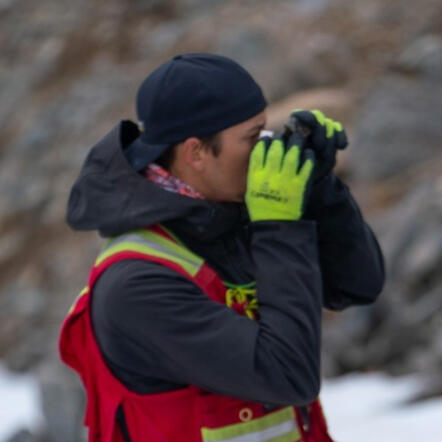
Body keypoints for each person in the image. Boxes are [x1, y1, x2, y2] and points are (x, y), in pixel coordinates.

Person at [59, 53, 385, 442]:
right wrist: (279, 226)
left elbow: (357, 285)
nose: (266, 148)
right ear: (196, 152)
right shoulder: (136, 284)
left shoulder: (226, 216)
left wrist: (319, 189)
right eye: (253, 136)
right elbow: (286, 375)